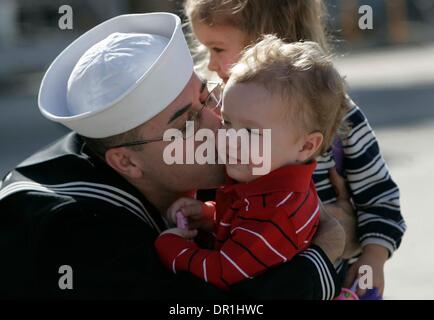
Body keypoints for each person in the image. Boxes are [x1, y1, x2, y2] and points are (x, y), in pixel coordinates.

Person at [0, 12, 344, 299]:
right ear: (127, 162)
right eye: (187, 123)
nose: (217, 125)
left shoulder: (225, 166)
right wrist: (326, 251)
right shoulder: (73, 232)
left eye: (207, 96)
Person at [183, 0, 406, 297]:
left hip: (329, 283)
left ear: (265, 41)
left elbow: (380, 196)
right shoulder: (220, 113)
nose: (210, 64)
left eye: (218, 49)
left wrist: (373, 258)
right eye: (205, 49)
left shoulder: (337, 117)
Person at [155, 37, 348, 290]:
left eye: (250, 133)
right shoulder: (263, 181)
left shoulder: (276, 213)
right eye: (227, 122)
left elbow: (223, 272)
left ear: (305, 146)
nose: (229, 140)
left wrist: (174, 249)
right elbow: (242, 225)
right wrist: (208, 215)